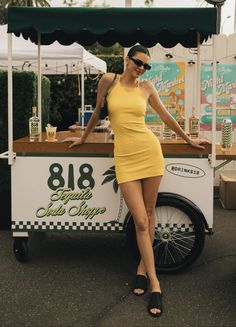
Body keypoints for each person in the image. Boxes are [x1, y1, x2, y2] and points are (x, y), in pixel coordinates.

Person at [63, 44, 208, 318]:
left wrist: (188, 139)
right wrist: (82, 138)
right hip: (125, 159)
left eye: (146, 65)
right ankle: (152, 277)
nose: (141, 68)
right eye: (138, 62)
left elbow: (166, 117)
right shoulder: (109, 80)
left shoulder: (147, 88)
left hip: (149, 152)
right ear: (126, 60)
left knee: (150, 214)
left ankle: (149, 277)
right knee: (141, 220)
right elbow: (97, 113)